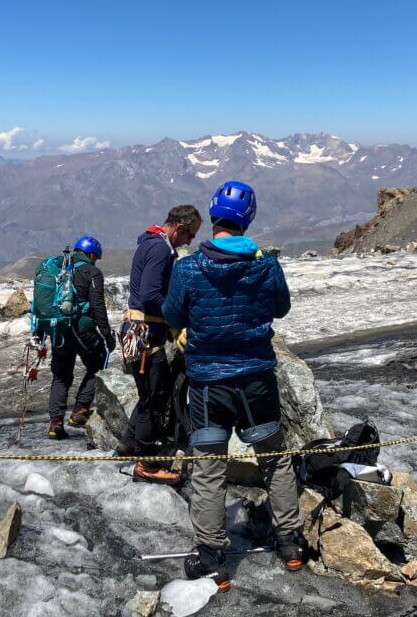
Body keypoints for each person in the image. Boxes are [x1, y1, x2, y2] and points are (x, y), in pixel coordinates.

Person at [162, 181, 304, 589]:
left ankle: (211, 556)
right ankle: (290, 543)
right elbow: (281, 307)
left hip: (208, 384)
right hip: (257, 380)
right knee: (274, 459)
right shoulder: (266, 265)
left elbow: (173, 313)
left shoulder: (188, 268)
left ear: (213, 217)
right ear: (249, 218)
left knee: (208, 469)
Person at [118, 204, 203, 484]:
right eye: (190, 234)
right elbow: (151, 294)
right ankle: (147, 464)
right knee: (156, 396)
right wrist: (174, 320)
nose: (190, 241)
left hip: (140, 330)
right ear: (179, 227)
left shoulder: (152, 244)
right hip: (145, 333)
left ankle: (129, 444)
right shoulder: (160, 249)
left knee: (151, 392)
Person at [45, 235, 115, 440]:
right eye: (96, 258)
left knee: (61, 376)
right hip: (81, 329)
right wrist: (106, 333)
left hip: (59, 330)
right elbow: (98, 306)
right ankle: (79, 411)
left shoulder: (59, 269)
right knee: (99, 362)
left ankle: (55, 425)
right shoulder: (92, 272)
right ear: (91, 255)